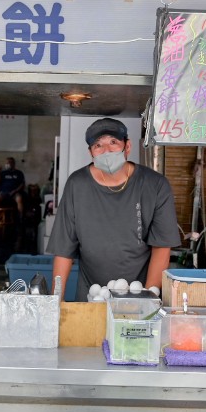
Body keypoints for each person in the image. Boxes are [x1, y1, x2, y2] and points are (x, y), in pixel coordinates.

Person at [48, 118, 180, 301]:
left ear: (127, 146)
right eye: (98, 145)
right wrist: (55, 301)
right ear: (90, 152)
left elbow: (162, 246)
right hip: (92, 295)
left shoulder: (155, 185)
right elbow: (63, 250)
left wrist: (148, 299)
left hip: (139, 291)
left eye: (113, 142)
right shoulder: (77, 185)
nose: (106, 151)